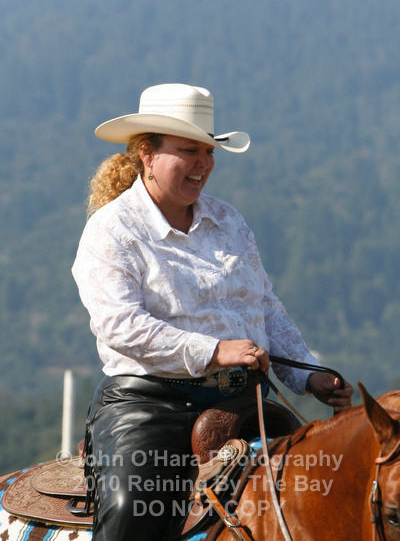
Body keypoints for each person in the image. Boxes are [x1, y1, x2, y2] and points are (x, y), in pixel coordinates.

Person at [72, 83, 353, 541]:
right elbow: (119, 326)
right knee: (129, 512)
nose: (203, 163)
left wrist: (308, 375)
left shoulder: (229, 221)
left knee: (326, 496)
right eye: (189, 150)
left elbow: (265, 308)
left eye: (209, 152)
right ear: (147, 154)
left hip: (247, 401)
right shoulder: (112, 229)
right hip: (149, 407)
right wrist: (216, 351)